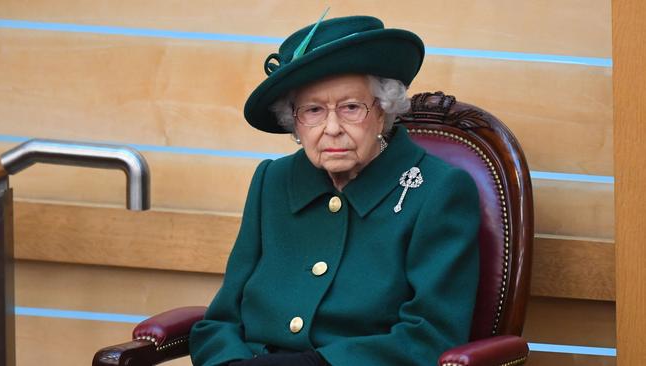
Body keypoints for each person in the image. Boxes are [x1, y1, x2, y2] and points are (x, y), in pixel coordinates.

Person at [189, 14, 480, 366]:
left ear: (383, 111)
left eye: (351, 108)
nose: (331, 128)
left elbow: (431, 337)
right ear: (293, 120)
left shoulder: (439, 191)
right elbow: (221, 320)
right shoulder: (273, 180)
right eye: (313, 110)